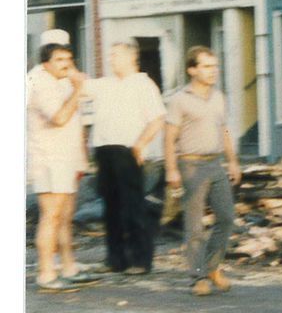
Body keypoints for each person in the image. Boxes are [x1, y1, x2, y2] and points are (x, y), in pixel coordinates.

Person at [164, 46, 242, 297]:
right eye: (206, 66)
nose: (213, 71)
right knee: (194, 225)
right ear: (192, 70)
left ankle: (212, 268)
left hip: (215, 163)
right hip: (191, 165)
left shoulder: (219, 97)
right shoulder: (179, 99)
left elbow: (224, 131)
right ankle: (197, 276)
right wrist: (171, 169)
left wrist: (232, 161)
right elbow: (169, 138)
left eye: (215, 66)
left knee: (227, 217)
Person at [84, 41, 167, 275]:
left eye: (116, 55)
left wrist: (141, 145)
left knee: (133, 207)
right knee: (111, 208)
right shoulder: (104, 84)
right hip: (104, 150)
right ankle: (115, 258)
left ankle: (140, 260)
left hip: (127, 150)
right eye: (110, 55)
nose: (111, 59)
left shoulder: (143, 84)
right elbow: (78, 85)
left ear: (132, 58)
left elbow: (158, 119)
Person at [27, 39, 99, 291]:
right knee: (52, 215)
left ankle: (68, 266)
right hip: (49, 159)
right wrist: (78, 88)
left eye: (69, 60)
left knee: (65, 216)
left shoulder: (62, 80)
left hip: (67, 158)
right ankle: (46, 272)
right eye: (59, 60)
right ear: (45, 62)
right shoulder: (39, 81)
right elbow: (59, 118)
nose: (66, 65)